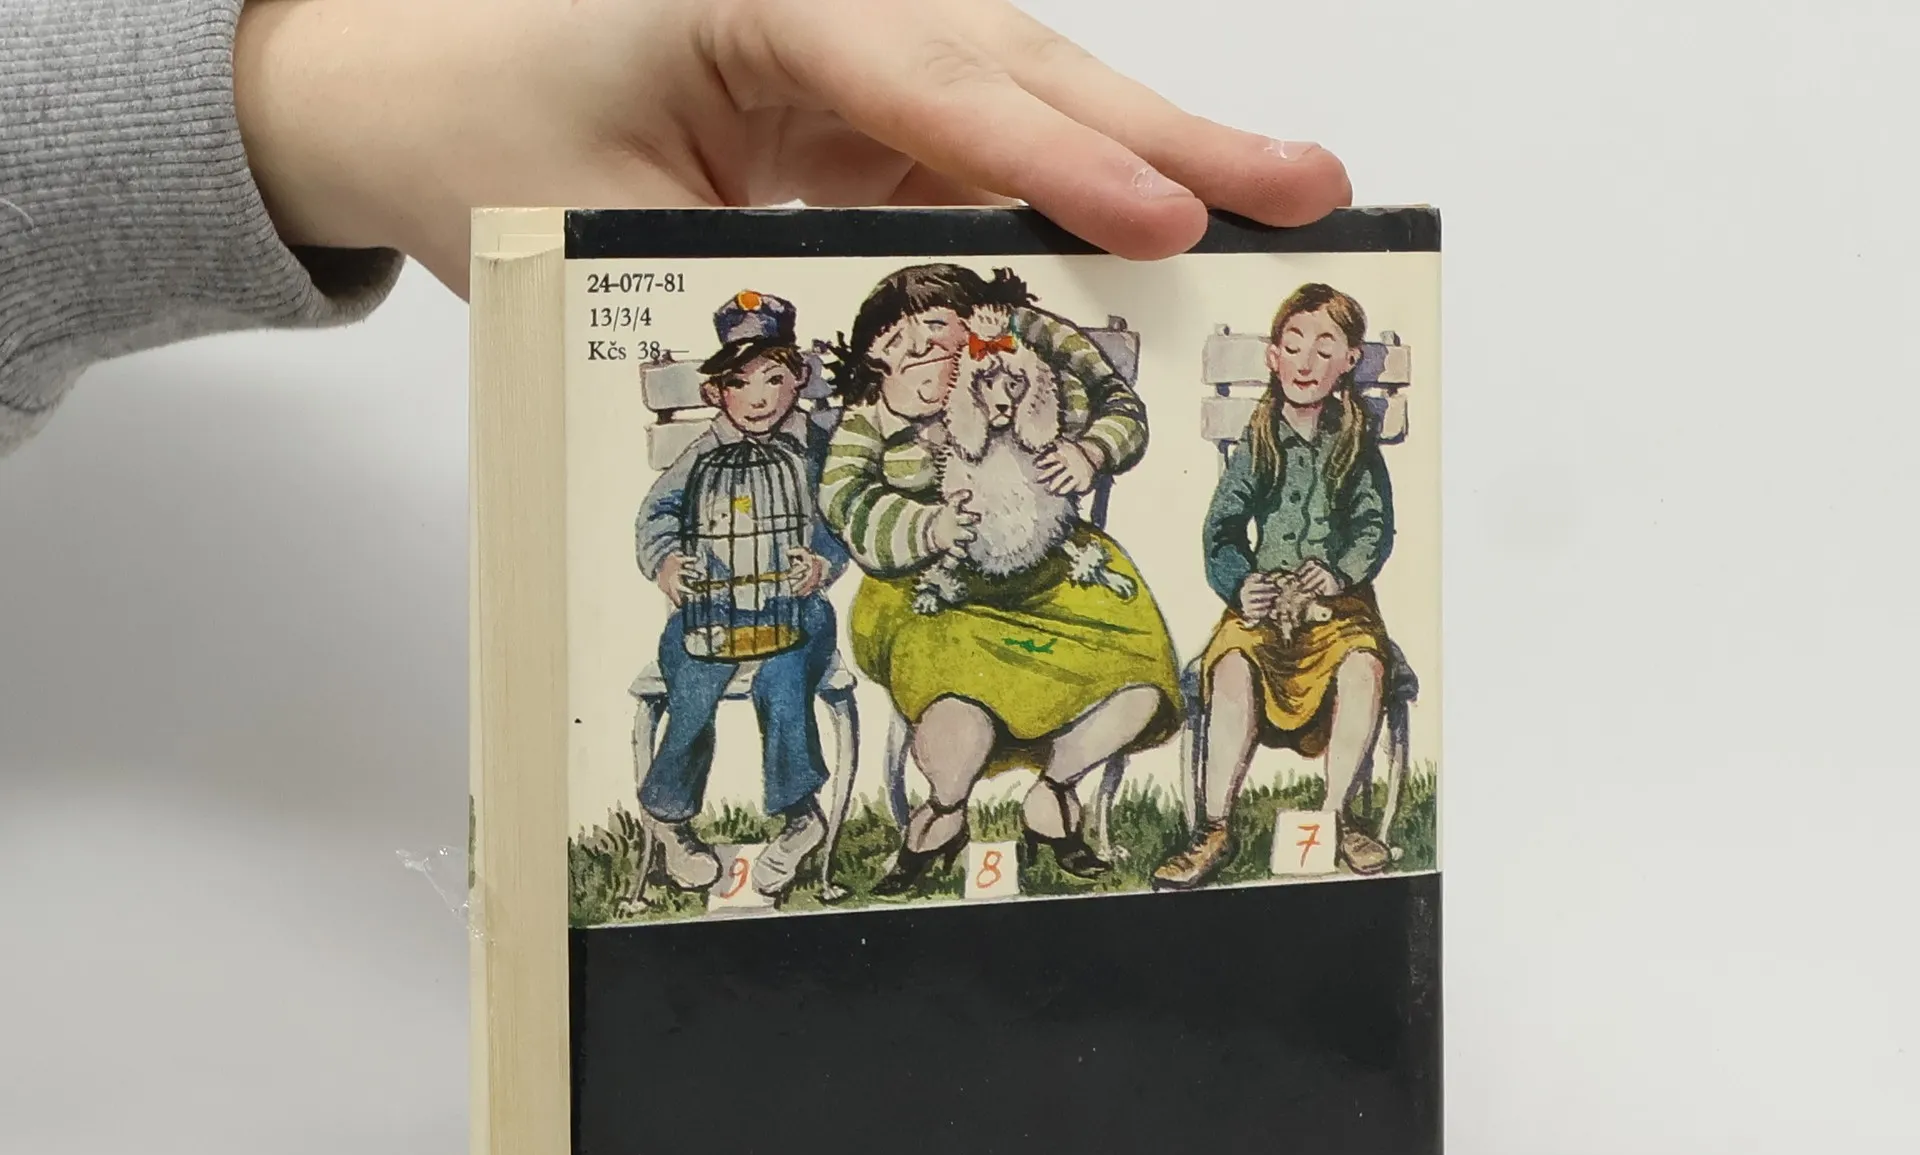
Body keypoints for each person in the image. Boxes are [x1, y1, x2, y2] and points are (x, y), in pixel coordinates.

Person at [0, 0, 1350, 458]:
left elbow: (1114, 419)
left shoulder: (1026, 374)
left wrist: (1069, 440)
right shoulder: (846, 436)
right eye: (919, 341)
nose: (947, 354)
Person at [820, 263, 1181, 894]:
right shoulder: (874, 414)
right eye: (903, 341)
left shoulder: (1033, 352)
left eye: (938, 329)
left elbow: (1120, 403)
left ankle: (1054, 792)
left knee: (1138, 682)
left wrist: (1091, 449)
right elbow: (845, 501)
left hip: (1056, 573)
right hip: (936, 588)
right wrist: (926, 526)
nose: (925, 350)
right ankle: (944, 813)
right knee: (958, 719)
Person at [1154, 281, 1413, 890]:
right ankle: (1214, 826)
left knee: (1362, 669)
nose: (1306, 362)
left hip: (1340, 608)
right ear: (1273, 356)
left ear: (1349, 360)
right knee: (1232, 669)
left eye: (1325, 349)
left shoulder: (1355, 440)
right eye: (1293, 346)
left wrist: (1341, 571)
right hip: (1264, 605)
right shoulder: (1259, 437)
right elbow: (1221, 528)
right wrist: (1240, 583)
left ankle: (1338, 817)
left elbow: (1375, 525)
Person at [634, 292, 847, 900]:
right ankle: (670, 819)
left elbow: (841, 516)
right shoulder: (703, 451)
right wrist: (667, 561)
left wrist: (822, 563)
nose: (759, 398)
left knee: (784, 680)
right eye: (740, 382)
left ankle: (800, 816)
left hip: (795, 606)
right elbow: (657, 513)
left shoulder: (816, 447)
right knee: (693, 679)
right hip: (714, 606)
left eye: (774, 379)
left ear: (798, 379)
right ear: (715, 392)